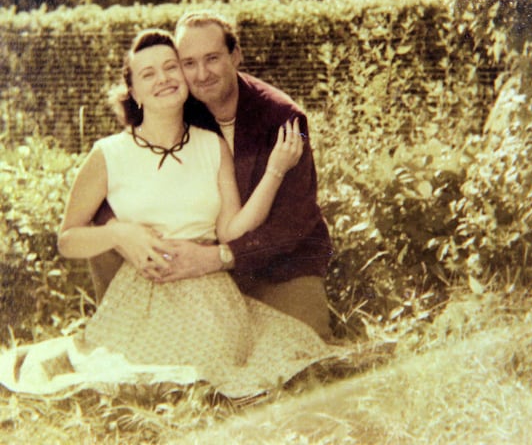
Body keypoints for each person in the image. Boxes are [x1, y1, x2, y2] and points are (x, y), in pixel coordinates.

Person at [0, 29, 339, 398]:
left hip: (209, 294)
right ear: (133, 92)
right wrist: (119, 233)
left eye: (171, 67)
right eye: (148, 74)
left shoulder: (212, 145)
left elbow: (233, 230)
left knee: (214, 362)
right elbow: (68, 240)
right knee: (141, 374)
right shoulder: (109, 153)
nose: (163, 78)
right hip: (144, 292)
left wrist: (275, 171)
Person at [90, 10, 333, 339]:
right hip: (198, 260)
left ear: (235, 56)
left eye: (212, 58)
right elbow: (122, 170)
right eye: (188, 63)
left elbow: (294, 221)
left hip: (277, 264)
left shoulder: (283, 118)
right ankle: (120, 332)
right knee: (105, 236)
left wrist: (219, 257)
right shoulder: (177, 105)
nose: (201, 74)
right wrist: (121, 230)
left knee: (302, 349)